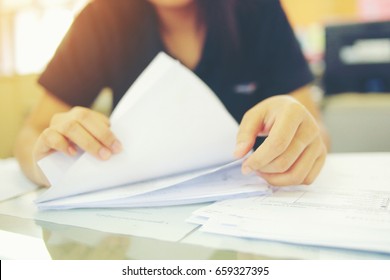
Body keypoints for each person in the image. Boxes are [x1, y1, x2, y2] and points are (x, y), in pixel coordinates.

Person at [15, 0, 329, 188]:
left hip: (250, 206)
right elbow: (32, 132)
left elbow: (314, 130)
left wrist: (302, 139)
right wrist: (49, 165)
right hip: (135, 225)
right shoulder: (101, 18)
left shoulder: (257, 9)